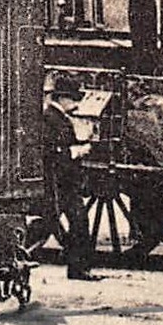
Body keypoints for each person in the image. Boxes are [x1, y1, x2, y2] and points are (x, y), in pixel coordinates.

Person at [43, 73, 100, 281]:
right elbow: (52, 151)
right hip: (58, 182)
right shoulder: (50, 118)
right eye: (74, 99)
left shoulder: (59, 118)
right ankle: (76, 267)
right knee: (60, 223)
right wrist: (79, 151)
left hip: (66, 182)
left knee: (76, 222)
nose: (76, 104)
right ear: (63, 99)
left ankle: (77, 268)